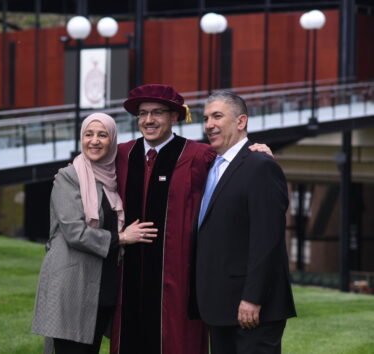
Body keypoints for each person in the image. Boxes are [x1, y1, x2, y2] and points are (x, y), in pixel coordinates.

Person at [110, 84, 273, 354]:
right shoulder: (122, 155)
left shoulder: (199, 156)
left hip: (181, 282)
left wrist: (259, 153)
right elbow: (92, 168)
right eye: (142, 114)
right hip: (129, 282)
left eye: (157, 113)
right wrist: (73, 172)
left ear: (175, 117)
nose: (148, 120)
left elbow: (238, 168)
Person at [32, 113, 157, 354]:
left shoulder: (113, 181)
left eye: (102, 135)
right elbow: (74, 231)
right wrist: (121, 237)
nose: (95, 141)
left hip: (102, 289)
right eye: (89, 134)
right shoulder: (68, 177)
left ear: (113, 141)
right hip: (72, 287)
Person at [190, 91, 296, 354]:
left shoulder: (260, 165)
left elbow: (267, 239)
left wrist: (252, 298)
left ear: (241, 122)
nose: (209, 125)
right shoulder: (211, 167)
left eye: (217, 116)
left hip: (251, 308)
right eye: (205, 118)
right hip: (219, 307)